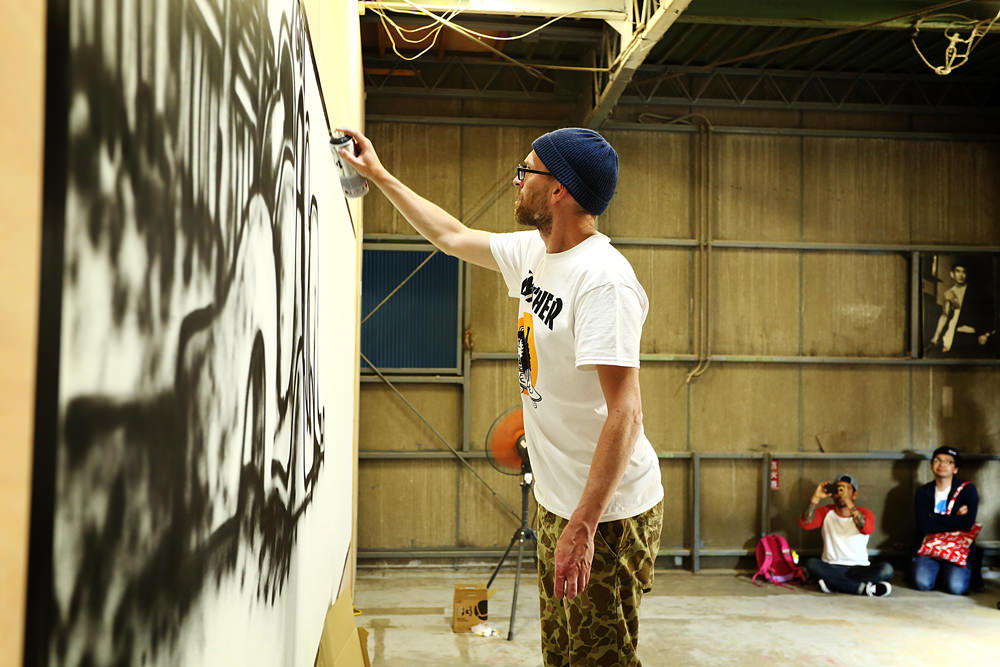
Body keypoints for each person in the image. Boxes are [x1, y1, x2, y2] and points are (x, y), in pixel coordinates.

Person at [337, 126, 664, 665]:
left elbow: (626, 412)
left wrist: (583, 524)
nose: (516, 181)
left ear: (558, 189)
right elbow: (451, 235)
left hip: (607, 515)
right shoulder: (536, 252)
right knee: (561, 654)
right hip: (561, 502)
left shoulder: (603, 281)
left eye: (525, 171)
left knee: (600, 659)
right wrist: (378, 174)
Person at [798, 474, 894, 597]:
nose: (841, 493)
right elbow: (805, 524)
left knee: (887, 569)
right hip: (832, 566)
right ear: (833, 494)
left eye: (847, 489)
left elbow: (866, 529)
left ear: (855, 495)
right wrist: (815, 498)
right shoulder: (826, 512)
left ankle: (834, 584)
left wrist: (848, 501)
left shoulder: (865, 513)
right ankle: (862, 589)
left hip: (858, 568)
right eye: (838, 489)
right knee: (811, 564)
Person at [911, 446, 979, 595]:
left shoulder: (967, 490)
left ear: (955, 469)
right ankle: (939, 572)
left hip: (957, 549)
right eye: (937, 460)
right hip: (930, 548)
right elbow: (923, 525)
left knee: (957, 588)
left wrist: (934, 517)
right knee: (922, 583)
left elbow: (967, 523)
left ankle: (945, 573)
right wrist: (955, 519)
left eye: (949, 462)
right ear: (932, 465)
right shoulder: (923, 491)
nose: (942, 465)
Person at [929, 260, 994, 357]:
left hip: (973, 337)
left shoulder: (975, 291)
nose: (961, 275)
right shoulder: (949, 293)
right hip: (956, 336)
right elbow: (944, 316)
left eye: (964, 272)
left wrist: (986, 334)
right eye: (958, 271)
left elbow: (986, 313)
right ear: (952, 274)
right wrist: (936, 336)